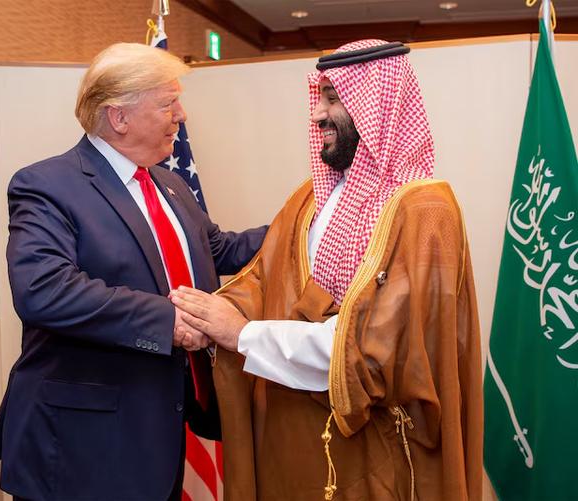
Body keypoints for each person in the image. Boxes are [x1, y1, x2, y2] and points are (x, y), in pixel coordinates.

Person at [171, 39, 483, 500]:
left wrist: (241, 336)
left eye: (333, 98)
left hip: (380, 457)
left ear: (377, 103)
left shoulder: (425, 213)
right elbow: (264, 278)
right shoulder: (311, 198)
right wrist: (206, 318)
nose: (317, 115)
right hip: (297, 447)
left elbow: (377, 352)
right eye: (318, 97)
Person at [0, 42, 266, 500]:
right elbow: (44, 290)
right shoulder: (46, 185)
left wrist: (308, 220)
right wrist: (167, 322)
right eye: (168, 102)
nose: (182, 114)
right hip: (82, 448)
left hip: (162, 432)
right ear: (119, 116)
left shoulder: (167, 183)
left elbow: (221, 249)